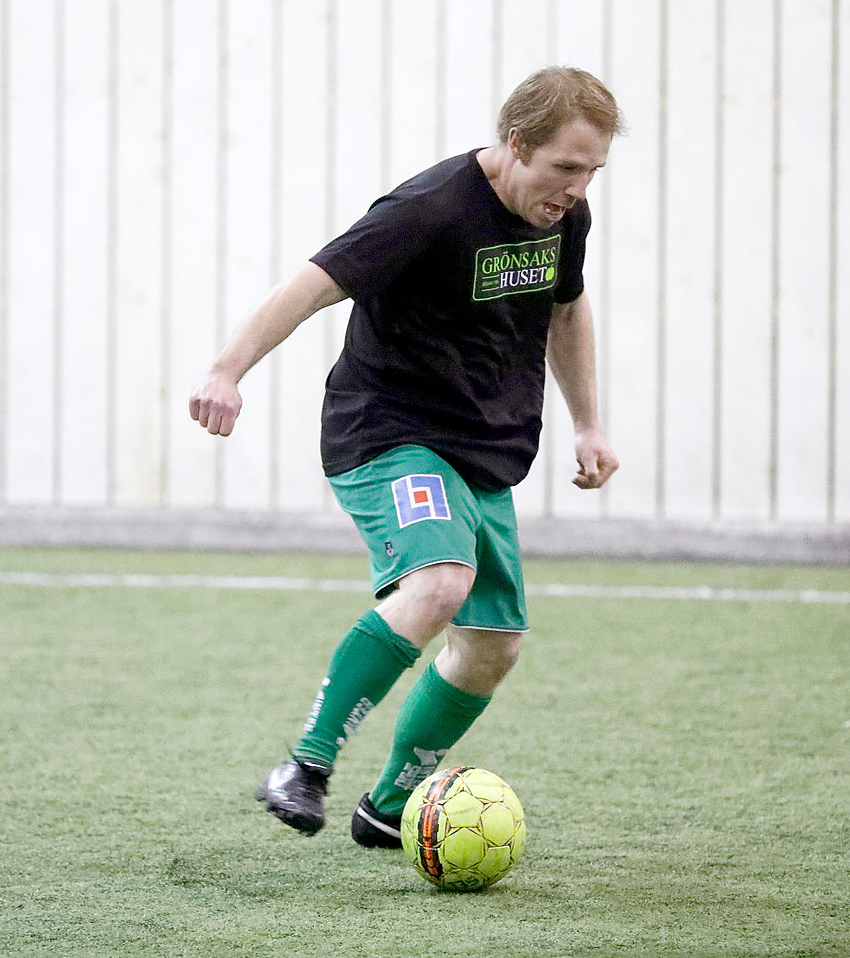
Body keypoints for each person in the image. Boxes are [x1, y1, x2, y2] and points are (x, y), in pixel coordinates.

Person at [189, 66, 623, 847]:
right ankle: (306, 766)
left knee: (493, 648)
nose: (578, 187)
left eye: (593, 170)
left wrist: (589, 422)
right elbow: (312, 285)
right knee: (440, 582)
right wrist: (227, 369)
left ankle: (386, 807)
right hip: (389, 432)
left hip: (483, 452)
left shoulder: (565, 215)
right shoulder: (427, 211)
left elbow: (566, 308)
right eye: (566, 167)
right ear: (516, 143)